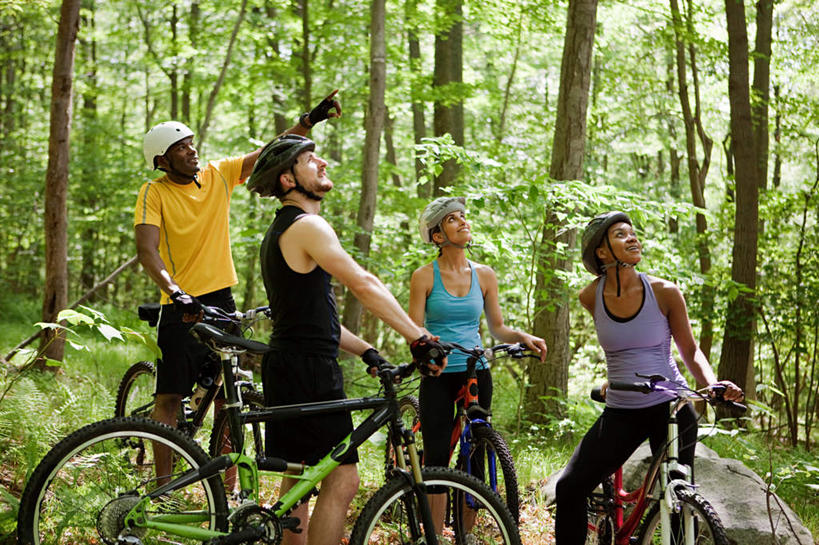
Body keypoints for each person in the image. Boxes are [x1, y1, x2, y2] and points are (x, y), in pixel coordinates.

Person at [245, 134, 448, 545]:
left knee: (300, 481)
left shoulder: (281, 230)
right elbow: (362, 281)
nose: (321, 162)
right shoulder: (307, 226)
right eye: (308, 159)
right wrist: (418, 336)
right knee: (342, 480)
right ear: (287, 180)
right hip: (309, 371)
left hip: (290, 362)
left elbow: (313, 320)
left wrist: (367, 349)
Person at [134, 90, 342, 482]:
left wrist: (308, 121)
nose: (191, 151)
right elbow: (148, 251)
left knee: (230, 393)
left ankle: (226, 489)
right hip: (179, 302)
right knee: (168, 397)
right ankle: (163, 486)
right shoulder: (153, 192)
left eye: (191, 144)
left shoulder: (216, 174)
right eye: (180, 148)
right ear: (162, 161)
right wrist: (174, 290)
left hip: (221, 300)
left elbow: (270, 153)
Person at [554, 211, 744, 544]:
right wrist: (613, 379)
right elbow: (621, 348)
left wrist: (713, 383)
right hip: (622, 410)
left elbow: (690, 351)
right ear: (601, 252)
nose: (632, 238)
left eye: (633, 233)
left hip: (670, 407)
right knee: (569, 487)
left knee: (678, 496)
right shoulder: (589, 296)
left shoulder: (664, 292)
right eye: (620, 234)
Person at [408, 196, 547, 535]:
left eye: (463, 216)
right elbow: (414, 327)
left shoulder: (484, 275)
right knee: (438, 458)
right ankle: (435, 536)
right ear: (438, 236)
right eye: (452, 219)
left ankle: (465, 536)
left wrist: (522, 336)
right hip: (439, 373)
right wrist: (429, 348)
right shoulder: (424, 276)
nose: (463, 222)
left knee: (477, 458)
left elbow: (497, 326)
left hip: (476, 370)